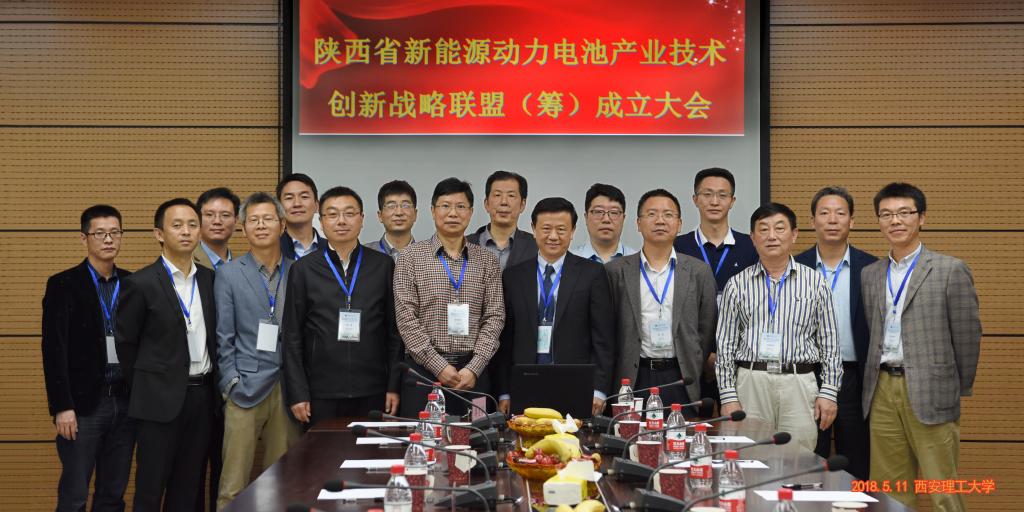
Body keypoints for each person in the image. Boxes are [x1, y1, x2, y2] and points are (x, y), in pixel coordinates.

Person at [861, 183, 980, 510]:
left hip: (931, 389)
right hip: (882, 389)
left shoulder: (949, 269)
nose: (895, 221)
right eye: (886, 214)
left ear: (922, 217)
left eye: (904, 213)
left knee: (942, 488)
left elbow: (967, 337)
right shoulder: (871, 274)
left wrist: (954, 386)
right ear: (879, 221)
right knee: (888, 488)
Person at [116, 198, 219, 511]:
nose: (186, 231)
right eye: (177, 225)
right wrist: (149, 386)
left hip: (202, 396)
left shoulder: (210, 279)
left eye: (192, 225)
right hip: (158, 401)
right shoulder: (140, 283)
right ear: (159, 234)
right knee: (150, 487)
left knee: (189, 486)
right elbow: (126, 345)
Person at [716, 203, 841, 451]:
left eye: (780, 228)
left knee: (798, 458)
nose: (771, 236)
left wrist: (829, 392)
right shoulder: (737, 285)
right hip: (751, 382)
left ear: (794, 234)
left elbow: (830, 343)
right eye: (763, 229)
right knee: (750, 456)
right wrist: (728, 396)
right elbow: (725, 346)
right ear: (753, 238)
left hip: (799, 382)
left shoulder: (815, 282)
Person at [282, 186, 403, 426]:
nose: (341, 221)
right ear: (321, 221)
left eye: (349, 213)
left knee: (372, 450)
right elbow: (292, 336)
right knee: (323, 450)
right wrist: (298, 392)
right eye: (332, 214)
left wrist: (393, 385)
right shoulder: (303, 270)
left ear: (362, 219)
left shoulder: (383, 266)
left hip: (373, 389)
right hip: (321, 391)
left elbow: (394, 332)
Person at [42, 205, 135, 511]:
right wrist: (62, 406)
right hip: (83, 407)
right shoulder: (63, 284)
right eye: (100, 233)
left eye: (115, 232)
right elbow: (53, 350)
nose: (108, 239)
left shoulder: (133, 284)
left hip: (125, 402)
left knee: (113, 493)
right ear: (84, 238)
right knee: (75, 495)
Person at [214, 192, 302, 509]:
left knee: (281, 482)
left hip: (288, 389)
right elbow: (224, 334)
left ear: (282, 225)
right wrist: (231, 382)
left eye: (268, 219)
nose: (261, 225)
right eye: (253, 220)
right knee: (233, 485)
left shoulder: (299, 271)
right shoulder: (228, 273)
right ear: (243, 228)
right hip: (244, 387)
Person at [494, 198, 616, 417]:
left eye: (561, 229)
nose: (553, 236)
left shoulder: (592, 274)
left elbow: (603, 339)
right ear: (533, 229)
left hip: (575, 381)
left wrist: (599, 390)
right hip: (525, 381)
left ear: (572, 231)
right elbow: (505, 340)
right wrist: (504, 392)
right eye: (546, 229)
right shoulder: (513, 276)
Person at [394, 178, 505, 417]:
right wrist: (439, 366)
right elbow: (406, 319)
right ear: (433, 211)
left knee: (476, 437)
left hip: (473, 375)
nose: (453, 213)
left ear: (471, 212)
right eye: (445, 206)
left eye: (460, 206)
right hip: (424, 374)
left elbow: (495, 317)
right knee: (427, 437)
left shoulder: (487, 260)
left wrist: (474, 367)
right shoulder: (410, 257)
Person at [606, 189, 717, 412]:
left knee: (681, 432)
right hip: (633, 376)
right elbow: (607, 329)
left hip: (682, 376)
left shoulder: (698, 271)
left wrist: (694, 359)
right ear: (638, 223)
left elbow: (706, 329)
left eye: (668, 215)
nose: (660, 221)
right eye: (652, 214)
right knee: (631, 433)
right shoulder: (615, 271)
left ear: (679, 224)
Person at [794, 186, 876, 480]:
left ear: (851, 221)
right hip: (806, 375)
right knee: (807, 458)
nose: (832, 220)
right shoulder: (794, 266)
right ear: (812, 221)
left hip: (853, 378)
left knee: (855, 463)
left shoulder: (872, 268)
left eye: (840, 213)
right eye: (824, 213)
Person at [674, 167, 759, 416]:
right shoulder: (678, 246)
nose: (714, 201)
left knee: (736, 428)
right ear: (695, 199)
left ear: (732, 201)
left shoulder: (751, 246)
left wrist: (722, 356)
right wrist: (703, 355)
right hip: (688, 360)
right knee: (691, 428)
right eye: (707, 194)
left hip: (739, 359)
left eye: (722, 195)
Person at [466, 170, 537, 270]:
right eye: (497, 195)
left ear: (522, 205)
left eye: (511, 195)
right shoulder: (464, 244)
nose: (504, 202)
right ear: (486, 204)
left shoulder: (536, 246)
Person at [571, 183, 638, 263]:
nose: (606, 219)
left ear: (623, 219)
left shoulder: (638, 262)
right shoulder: (567, 261)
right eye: (598, 212)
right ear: (586, 218)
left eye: (614, 212)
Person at [277, 173, 326, 260]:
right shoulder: (271, 249)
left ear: (317, 205)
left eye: (304, 197)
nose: (297, 204)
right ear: (279, 207)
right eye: (289, 198)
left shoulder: (332, 249)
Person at [366, 180, 417, 261]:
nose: (399, 212)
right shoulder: (362, 255)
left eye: (405, 205)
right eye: (391, 206)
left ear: (415, 214)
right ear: (380, 215)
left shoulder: (429, 255)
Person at [194, 187, 240, 270]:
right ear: (198, 219)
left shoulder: (245, 265)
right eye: (209, 214)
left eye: (225, 215)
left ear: (236, 221)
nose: (217, 221)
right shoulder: (185, 261)